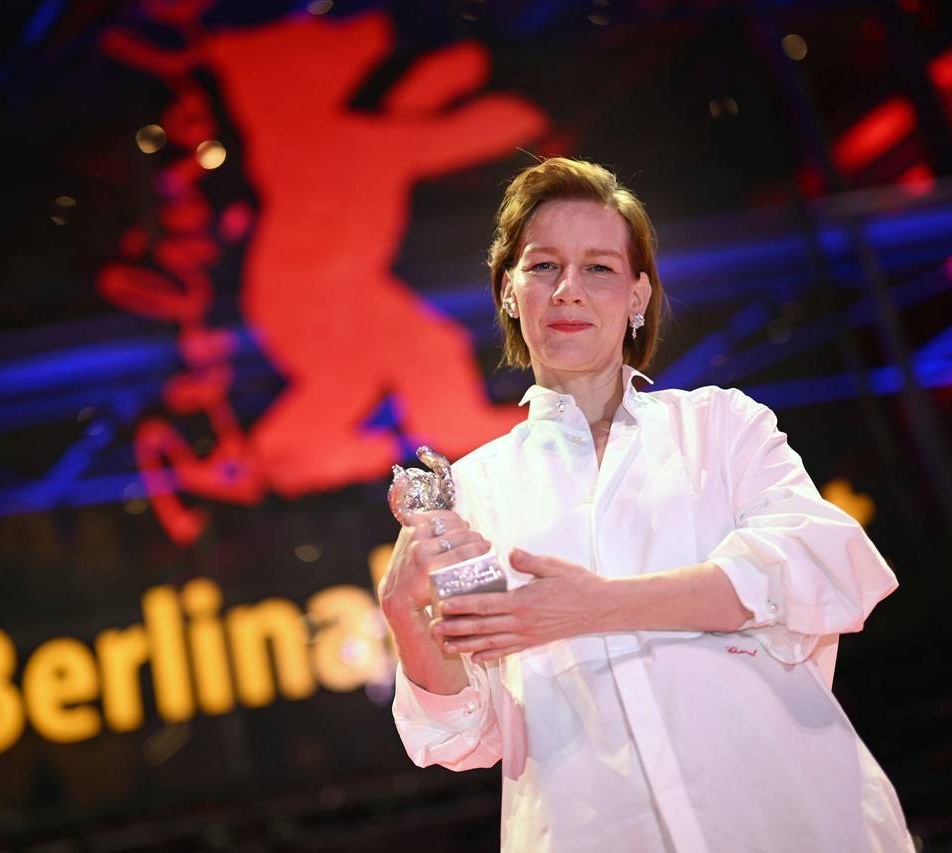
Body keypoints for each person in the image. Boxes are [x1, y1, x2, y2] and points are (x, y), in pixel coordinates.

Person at [378, 157, 914, 852]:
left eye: (599, 268)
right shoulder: (473, 495)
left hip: (794, 821)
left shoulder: (720, 428)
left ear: (638, 295)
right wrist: (405, 615)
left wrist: (600, 606)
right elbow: (464, 733)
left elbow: (821, 567)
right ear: (509, 290)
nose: (569, 289)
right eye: (543, 266)